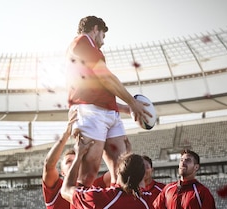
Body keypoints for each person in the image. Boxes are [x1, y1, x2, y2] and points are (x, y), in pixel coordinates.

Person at [66, 15, 150, 187]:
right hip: (90, 113)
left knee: (122, 172)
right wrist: (133, 103)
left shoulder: (92, 51)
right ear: (96, 29)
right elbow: (107, 79)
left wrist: (126, 108)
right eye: (103, 36)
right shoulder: (82, 42)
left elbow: (98, 91)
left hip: (107, 112)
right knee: (88, 175)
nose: (103, 42)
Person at [60, 137, 153, 209]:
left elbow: (65, 190)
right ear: (142, 177)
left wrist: (79, 155)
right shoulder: (148, 200)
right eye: (68, 161)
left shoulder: (100, 198)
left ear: (118, 172)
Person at [42, 113, 78, 209]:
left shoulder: (92, 186)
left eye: (76, 160)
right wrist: (66, 135)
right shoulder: (56, 188)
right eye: (69, 161)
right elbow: (49, 165)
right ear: (62, 172)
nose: (73, 163)